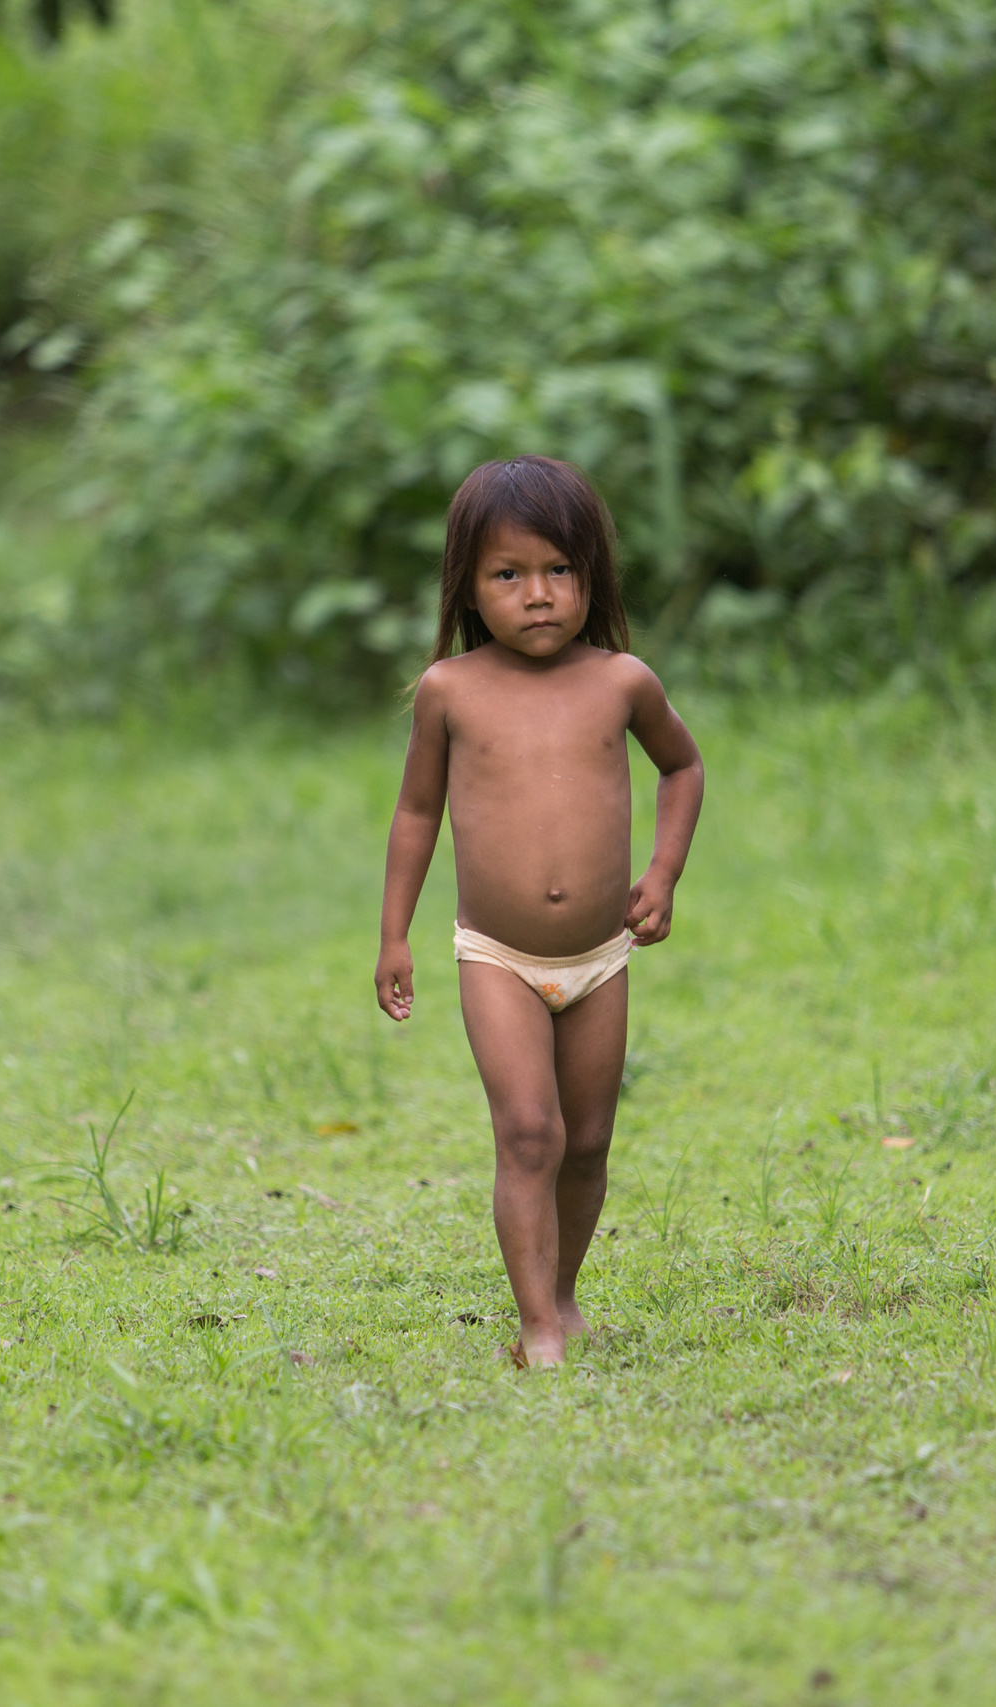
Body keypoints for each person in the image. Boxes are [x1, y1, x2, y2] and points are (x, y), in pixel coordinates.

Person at [374, 456, 706, 1368]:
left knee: (589, 1140)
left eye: (559, 570)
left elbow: (683, 767)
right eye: (508, 574)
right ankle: (536, 1327)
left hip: (601, 955)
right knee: (531, 1130)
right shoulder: (451, 692)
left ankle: (563, 1293)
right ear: (468, 589)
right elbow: (416, 812)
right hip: (497, 955)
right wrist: (395, 933)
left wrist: (664, 872)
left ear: (590, 576)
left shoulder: (621, 681)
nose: (538, 595)